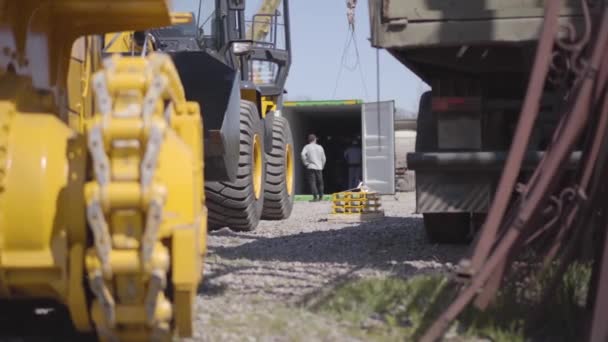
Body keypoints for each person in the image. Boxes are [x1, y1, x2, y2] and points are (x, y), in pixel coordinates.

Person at [301, 134, 326, 202]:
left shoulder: (307, 147)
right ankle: (321, 197)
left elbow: (302, 154)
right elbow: (324, 158)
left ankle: (315, 198)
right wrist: (322, 166)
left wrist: (306, 163)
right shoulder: (320, 147)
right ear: (315, 139)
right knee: (320, 183)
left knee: (313, 182)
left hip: (311, 167)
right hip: (319, 167)